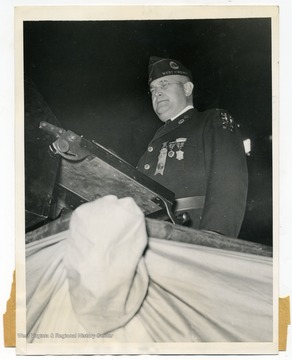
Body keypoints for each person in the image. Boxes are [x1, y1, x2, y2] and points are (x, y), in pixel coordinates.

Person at [137, 56, 248, 238]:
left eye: (164, 84)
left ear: (187, 88)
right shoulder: (154, 142)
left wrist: (214, 235)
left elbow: (229, 181)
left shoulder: (211, 121)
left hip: (192, 234)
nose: (157, 93)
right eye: (153, 89)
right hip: (153, 238)